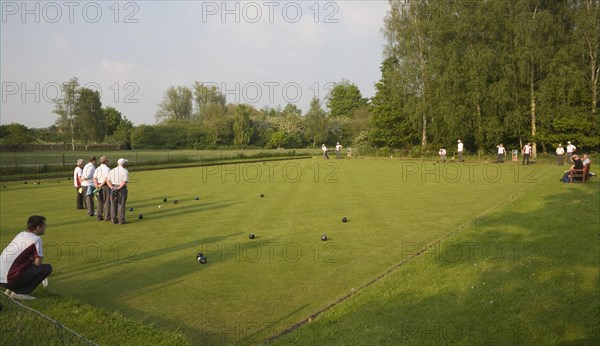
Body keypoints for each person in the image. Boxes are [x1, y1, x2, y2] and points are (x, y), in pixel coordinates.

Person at [0, 215, 52, 300]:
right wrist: (31, 260)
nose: (45, 228)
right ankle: (21, 293)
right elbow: (38, 263)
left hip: (1, 278)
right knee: (46, 268)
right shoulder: (36, 239)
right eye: (44, 226)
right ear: (38, 227)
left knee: (23, 265)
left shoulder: (21, 234)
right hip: (9, 279)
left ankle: (10, 290)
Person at [107, 158, 129, 224]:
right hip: (121, 189)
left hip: (113, 188)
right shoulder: (125, 171)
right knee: (121, 204)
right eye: (125, 163)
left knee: (113, 204)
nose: (126, 164)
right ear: (123, 164)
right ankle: (121, 220)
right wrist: (118, 188)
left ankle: (113, 220)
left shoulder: (112, 170)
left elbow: (108, 180)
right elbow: (124, 182)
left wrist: (112, 187)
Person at [93, 156, 111, 222]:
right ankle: (107, 217)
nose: (108, 162)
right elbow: (106, 178)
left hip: (98, 185)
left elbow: (94, 178)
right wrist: (100, 185)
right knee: (106, 201)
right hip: (105, 186)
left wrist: (96, 185)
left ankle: (99, 216)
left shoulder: (97, 168)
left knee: (100, 201)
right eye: (107, 161)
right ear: (105, 161)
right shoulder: (107, 169)